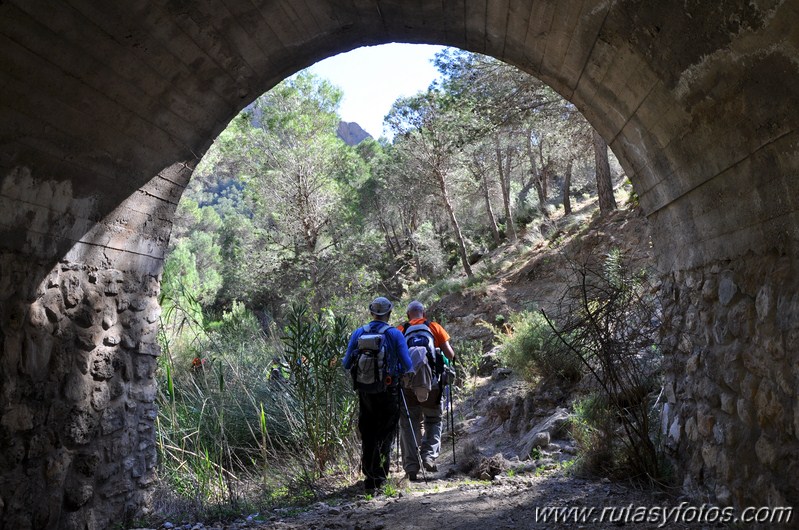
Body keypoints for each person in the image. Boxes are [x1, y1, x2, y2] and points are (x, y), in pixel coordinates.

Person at [342, 296, 412, 493]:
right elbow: (407, 364)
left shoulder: (358, 333)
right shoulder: (394, 334)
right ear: (389, 313)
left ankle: (368, 475)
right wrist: (398, 370)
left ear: (371, 312)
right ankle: (379, 476)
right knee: (386, 432)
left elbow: (347, 364)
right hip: (389, 391)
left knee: (368, 431)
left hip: (365, 392)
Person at [397, 300, 455, 480]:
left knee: (408, 423)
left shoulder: (401, 330)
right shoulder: (434, 327)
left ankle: (411, 467)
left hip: (408, 386)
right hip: (433, 385)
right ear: (423, 313)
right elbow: (450, 355)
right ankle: (428, 456)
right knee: (433, 419)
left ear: (408, 315)